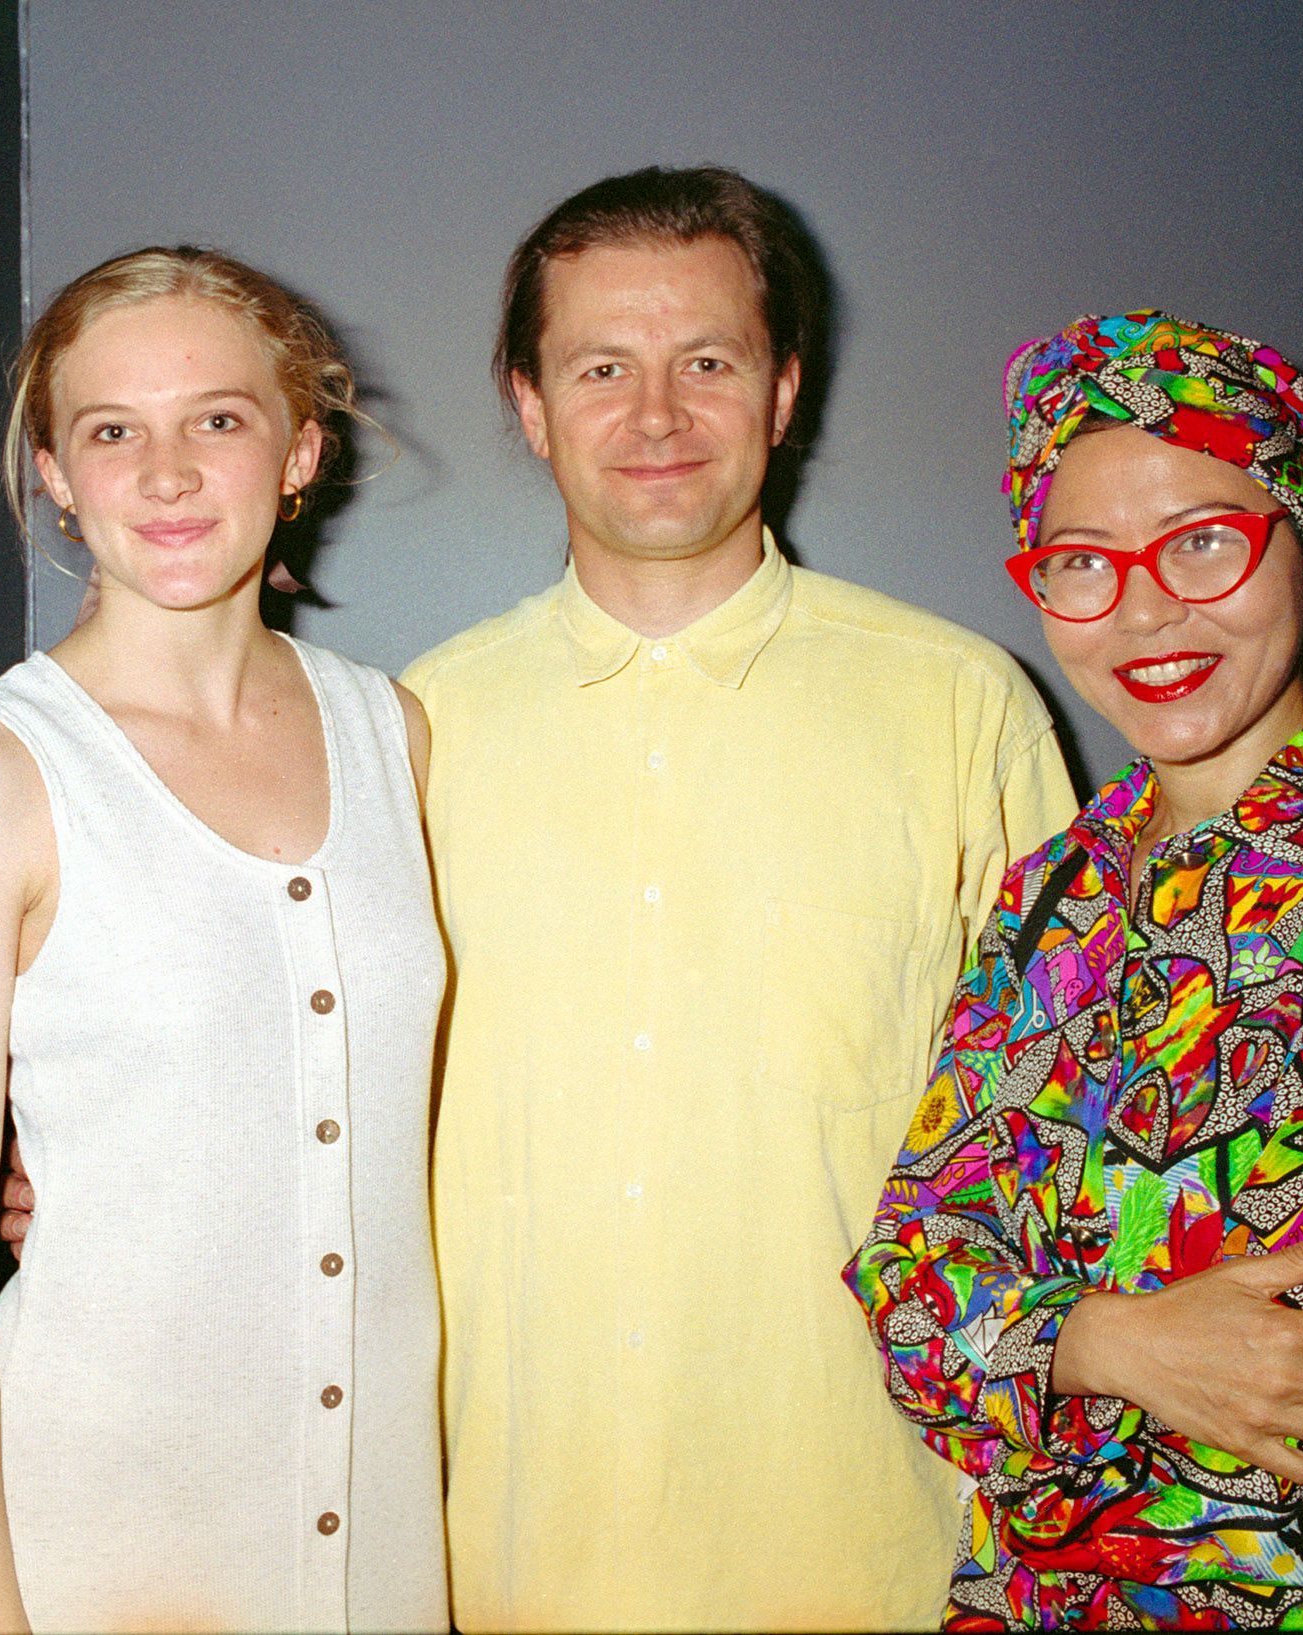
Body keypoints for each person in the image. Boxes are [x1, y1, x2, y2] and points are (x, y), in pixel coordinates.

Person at [404, 167, 1077, 1629]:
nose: (656, 415)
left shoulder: (963, 708)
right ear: (529, 404)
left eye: (705, 362)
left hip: (874, 1571)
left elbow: (1074, 1138)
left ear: (781, 392)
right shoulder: (408, 735)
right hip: (504, 1573)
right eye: (601, 368)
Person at [847, 311, 1303, 1627]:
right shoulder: (1051, 891)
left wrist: (1021, 1342)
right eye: (1082, 562)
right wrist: (1106, 1341)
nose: (1146, 608)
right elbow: (901, 1285)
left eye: (1207, 540)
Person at [0, 247, 446, 1634]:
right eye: (112, 432)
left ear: (301, 449)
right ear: (59, 474)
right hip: (103, 1550)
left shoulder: (394, 732)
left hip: (380, 1551)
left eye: (219, 419)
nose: (169, 472)